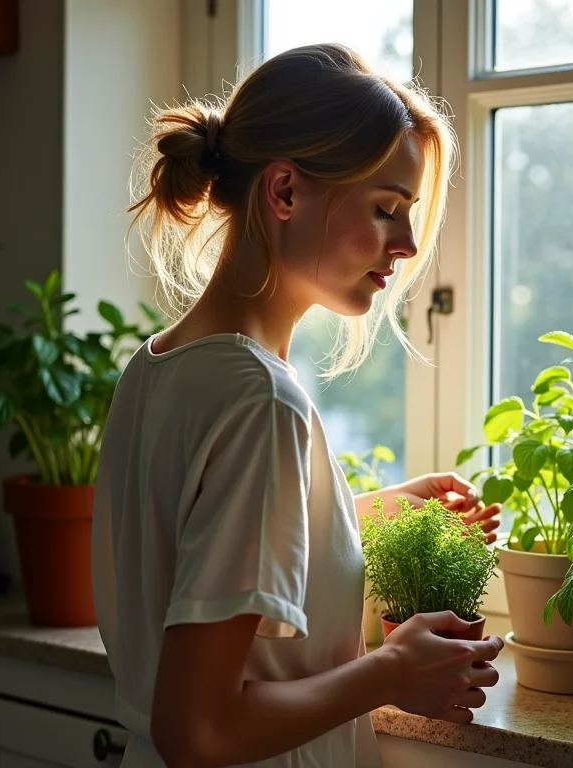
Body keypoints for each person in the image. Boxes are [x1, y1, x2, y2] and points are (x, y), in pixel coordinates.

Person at [91, 43, 504, 768]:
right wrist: (392, 671)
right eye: (386, 209)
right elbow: (201, 730)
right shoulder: (261, 401)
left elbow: (189, 553)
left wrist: (358, 512)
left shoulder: (158, 367)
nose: (406, 244)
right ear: (284, 192)